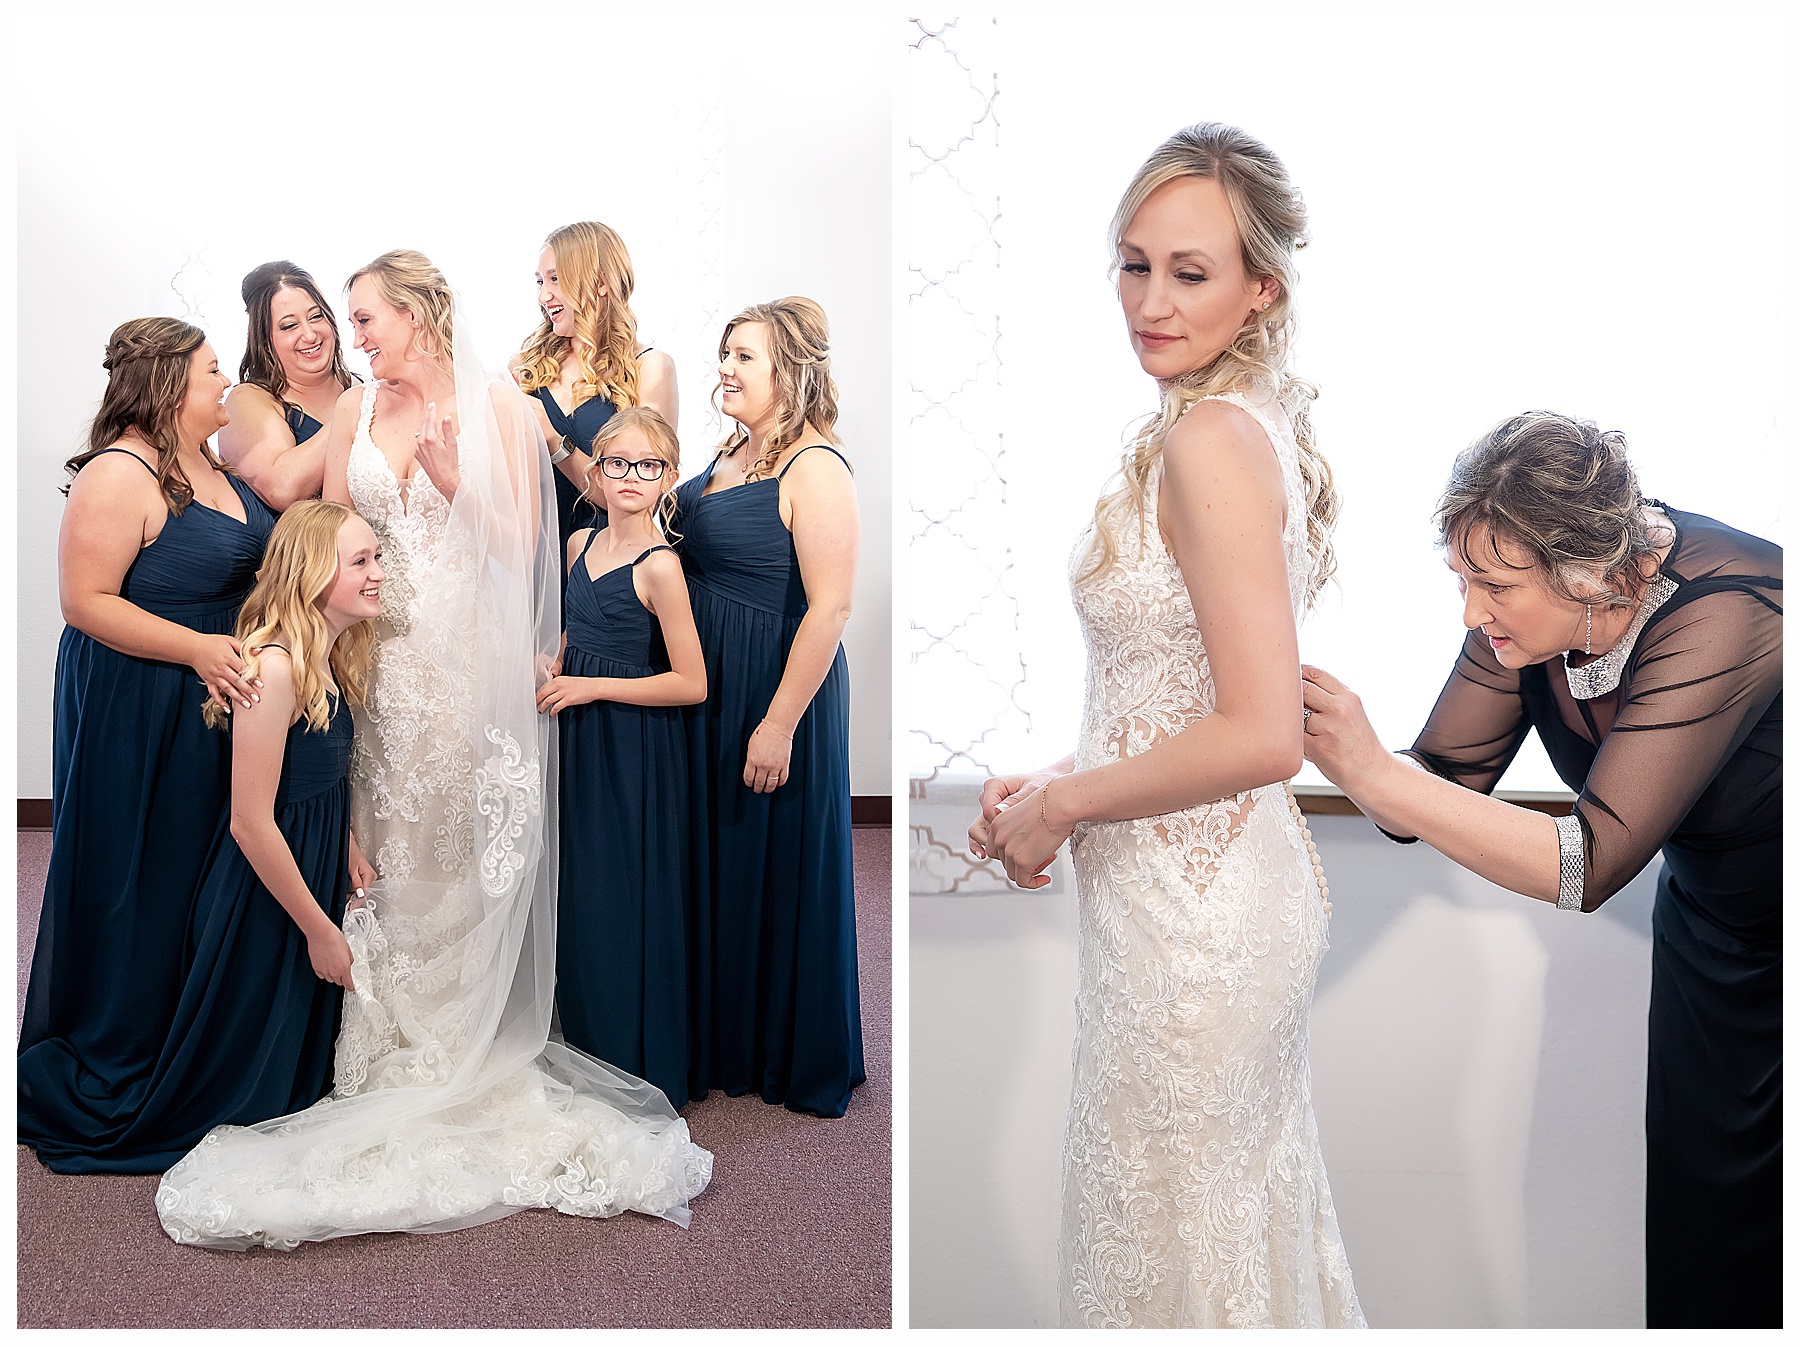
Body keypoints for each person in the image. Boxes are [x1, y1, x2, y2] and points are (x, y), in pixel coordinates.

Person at [156, 251, 712, 1249]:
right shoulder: (356, 410)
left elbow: (524, 551)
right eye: (352, 321)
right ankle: (397, 1036)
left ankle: (468, 1038)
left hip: (470, 663)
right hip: (384, 666)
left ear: (417, 312)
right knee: (390, 856)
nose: (355, 335)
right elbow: (321, 524)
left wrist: (457, 477)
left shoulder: (499, 403)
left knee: (463, 850)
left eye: (367, 318)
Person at [968, 124, 1363, 1327]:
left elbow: (1261, 733)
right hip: (1174, 892)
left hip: (1202, 917)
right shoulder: (1223, 425)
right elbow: (1184, 698)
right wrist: (1060, 775)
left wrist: (1062, 804)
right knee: (1191, 1228)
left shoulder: (1209, 440)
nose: (1148, 300)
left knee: (1191, 1237)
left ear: (1262, 289)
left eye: (1189, 272)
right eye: (1133, 265)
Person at [1298, 411, 1781, 1329]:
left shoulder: (1732, 608)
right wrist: (1317, 731)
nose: (1473, 613)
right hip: (1714, 941)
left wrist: (1370, 771)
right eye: (1463, 579)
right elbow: (1432, 791)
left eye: (1494, 586)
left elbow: (1587, 865)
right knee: (1709, 1238)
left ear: (1591, 575)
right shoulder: (1530, 610)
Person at [44, 502, 381, 1170]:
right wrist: (319, 929)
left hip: (309, 862)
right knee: (248, 1089)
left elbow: (314, 777)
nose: (379, 574)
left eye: (378, 557)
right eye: (362, 561)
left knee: (295, 1074)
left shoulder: (328, 654)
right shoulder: (276, 668)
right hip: (265, 890)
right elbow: (250, 822)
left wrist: (344, 847)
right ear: (313, 575)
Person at [20, 317, 276, 1171]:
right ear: (169, 384)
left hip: (211, 701)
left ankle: (193, 1044)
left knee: (201, 875)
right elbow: (86, 601)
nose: (227, 384)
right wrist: (200, 649)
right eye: (212, 371)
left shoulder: (213, 460)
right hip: (143, 702)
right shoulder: (118, 473)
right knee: (142, 876)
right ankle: (124, 1046)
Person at [674, 297, 863, 1119]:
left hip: (776, 686)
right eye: (725, 353)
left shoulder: (814, 466)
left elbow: (830, 610)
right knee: (723, 859)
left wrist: (779, 722)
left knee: (773, 860)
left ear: (791, 371)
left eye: (744, 356)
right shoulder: (730, 455)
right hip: (714, 681)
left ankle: (784, 1049)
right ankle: (726, 1037)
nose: (725, 368)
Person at [538, 406, 706, 1109]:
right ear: (596, 472)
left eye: (647, 466)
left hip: (634, 747)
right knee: (579, 889)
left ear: (668, 476)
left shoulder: (660, 565)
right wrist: (551, 662)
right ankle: (586, 1046)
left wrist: (592, 686)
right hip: (579, 736)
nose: (630, 477)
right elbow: (574, 635)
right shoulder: (577, 545)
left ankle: (636, 1054)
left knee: (624, 892)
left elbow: (692, 683)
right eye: (616, 463)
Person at [513, 221, 679, 556]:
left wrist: (554, 442)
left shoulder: (650, 369)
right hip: (531, 563)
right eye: (540, 282)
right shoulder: (524, 368)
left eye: (556, 278)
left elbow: (639, 495)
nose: (544, 295)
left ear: (600, 282)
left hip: (605, 567)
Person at [219, 262, 357, 510]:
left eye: (316, 317)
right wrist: (355, 409)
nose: (310, 334)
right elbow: (282, 490)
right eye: (289, 326)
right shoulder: (248, 400)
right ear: (265, 341)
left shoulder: (361, 387)